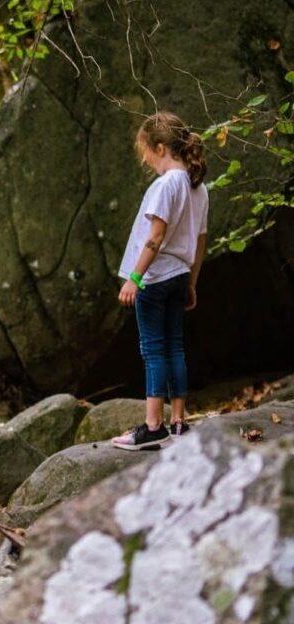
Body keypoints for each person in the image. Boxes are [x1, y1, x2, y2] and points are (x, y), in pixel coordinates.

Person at [111, 111, 208, 451]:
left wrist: (134, 278)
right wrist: (192, 282)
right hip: (180, 275)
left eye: (146, 152)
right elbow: (200, 241)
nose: (145, 160)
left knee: (153, 350)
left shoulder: (166, 185)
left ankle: (153, 427)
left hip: (155, 277)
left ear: (162, 147)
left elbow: (155, 236)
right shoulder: (199, 188)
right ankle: (179, 422)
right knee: (175, 346)